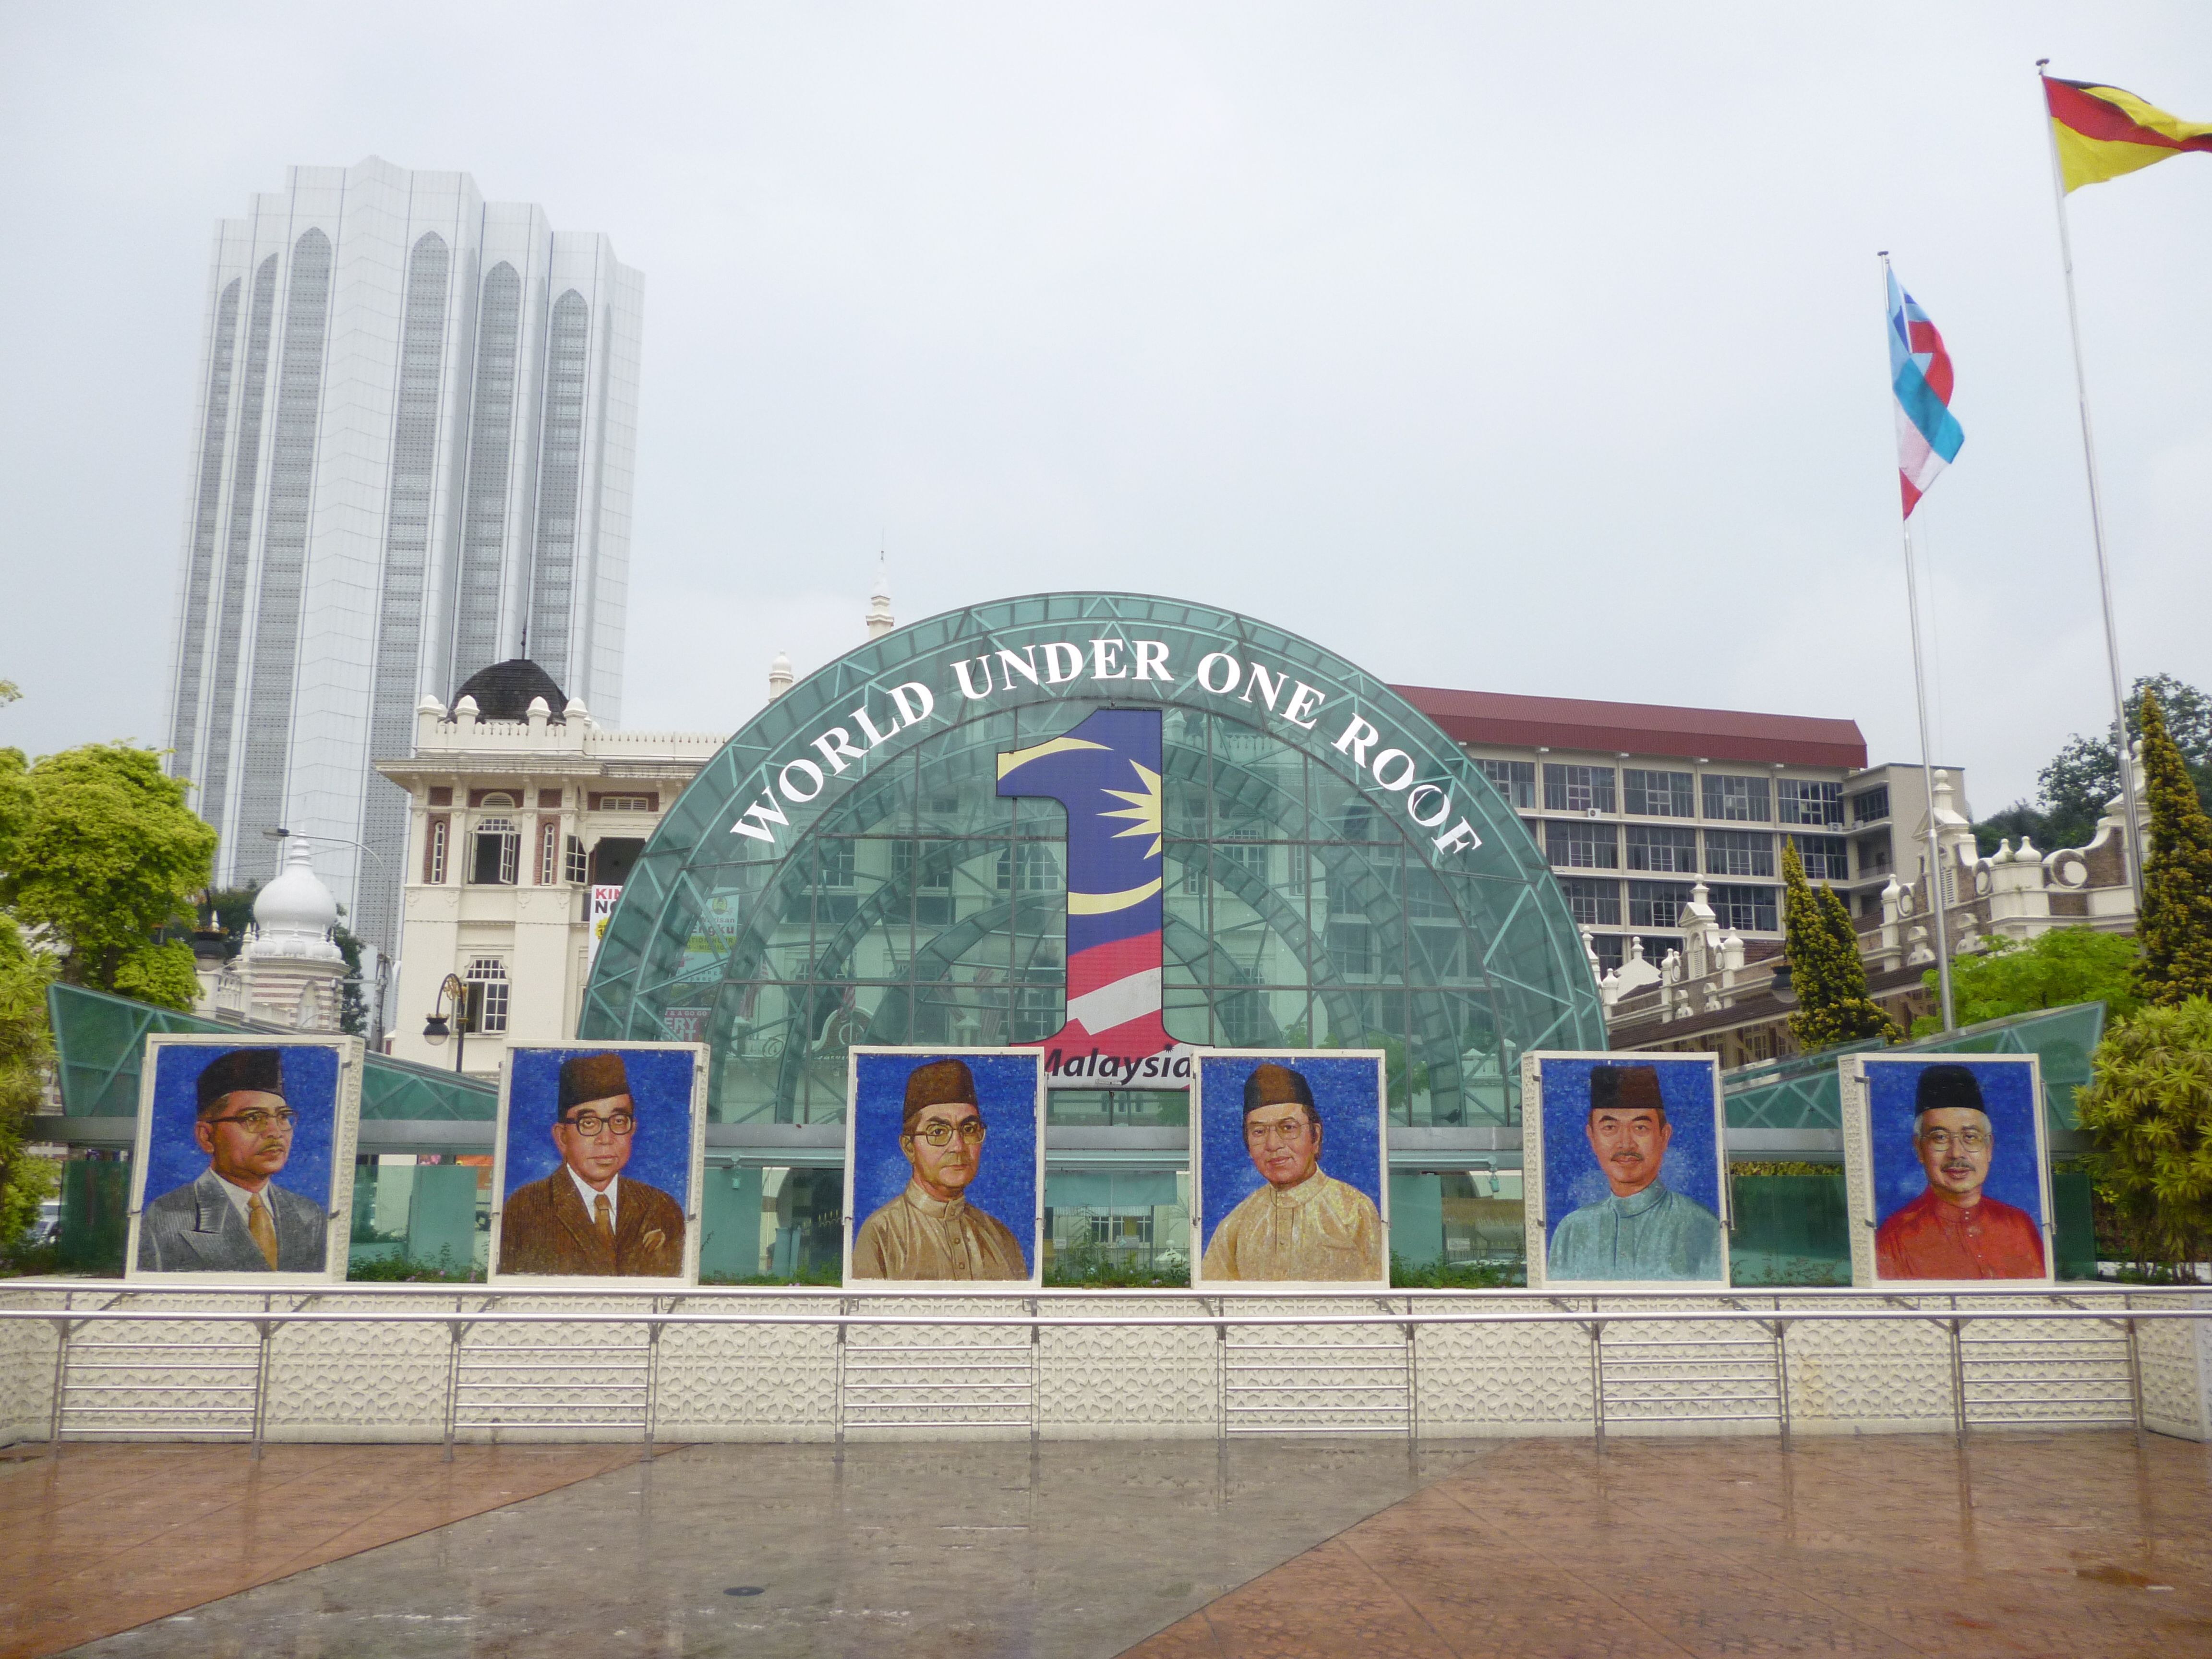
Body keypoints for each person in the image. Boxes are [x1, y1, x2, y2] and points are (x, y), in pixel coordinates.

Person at [137, 1047, 329, 1273]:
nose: (275, 1132)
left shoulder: (308, 1214)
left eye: (283, 1117)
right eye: (253, 1118)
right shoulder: (169, 1216)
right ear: (207, 1137)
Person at [499, 1052, 686, 1276]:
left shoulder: (662, 1208)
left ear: (632, 1130)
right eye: (588, 1123)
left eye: (619, 1121)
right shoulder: (527, 1207)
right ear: (562, 1137)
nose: (606, 1138)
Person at [1200, 1062, 1383, 1282]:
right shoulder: (1235, 1225)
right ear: (1247, 1143)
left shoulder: (1354, 1210)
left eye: (1288, 1128)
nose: (1273, 1144)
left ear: (1315, 1136)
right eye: (1259, 1132)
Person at [854, 1058, 1029, 1280]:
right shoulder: (883, 1233)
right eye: (938, 1132)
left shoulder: (1001, 1238)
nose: (958, 1146)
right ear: (909, 1147)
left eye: (969, 1129)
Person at [1547, 1063, 1724, 1281]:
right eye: (1610, 1128)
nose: (1625, 1144)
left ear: (1664, 1136)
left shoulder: (1701, 1227)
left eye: (1640, 1128)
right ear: (1592, 1137)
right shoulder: (1572, 1231)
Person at [1875, 1064, 2046, 1280]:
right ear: (1919, 1149)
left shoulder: (2019, 1226)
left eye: (1971, 1137)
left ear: (1989, 1147)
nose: (1956, 1153)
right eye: (1940, 1138)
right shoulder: (1896, 1236)